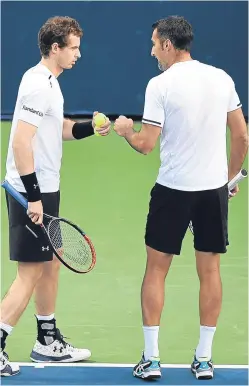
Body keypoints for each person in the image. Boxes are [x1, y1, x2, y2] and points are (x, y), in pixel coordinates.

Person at [113, 16, 248, 381]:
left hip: (173, 190)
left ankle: (152, 359)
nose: (152, 50)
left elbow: (145, 144)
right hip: (211, 192)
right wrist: (229, 178)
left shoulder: (160, 84)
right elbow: (241, 137)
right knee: (211, 272)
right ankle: (204, 360)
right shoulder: (222, 78)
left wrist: (125, 130)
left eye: (155, 44)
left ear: (169, 46)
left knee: (156, 270)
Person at [0, 16, 111, 376]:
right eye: (74, 48)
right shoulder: (39, 86)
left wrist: (91, 129)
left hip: (46, 190)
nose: (79, 54)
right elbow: (20, 142)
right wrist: (33, 198)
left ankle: (46, 341)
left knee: (50, 263)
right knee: (30, 272)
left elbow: (57, 129)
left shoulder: (49, 83)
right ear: (55, 48)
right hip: (29, 192)